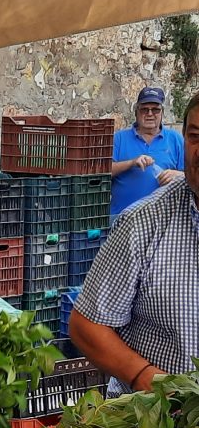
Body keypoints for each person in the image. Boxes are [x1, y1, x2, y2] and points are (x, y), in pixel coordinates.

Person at [69, 91, 199, 397]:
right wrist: (145, 378)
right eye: (195, 136)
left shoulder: (170, 143)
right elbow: (85, 326)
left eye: (156, 109)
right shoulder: (141, 223)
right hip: (155, 425)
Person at [110, 86, 184, 217]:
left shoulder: (175, 139)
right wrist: (131, 163)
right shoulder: (119, 138)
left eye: (155, 109)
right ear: (136, 112)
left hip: (164, 220)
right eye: (144, 109)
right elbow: (104, 173)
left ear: (162, 113)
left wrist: (178, 175)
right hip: (122, 219)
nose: (150, 114)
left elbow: (192, 175)